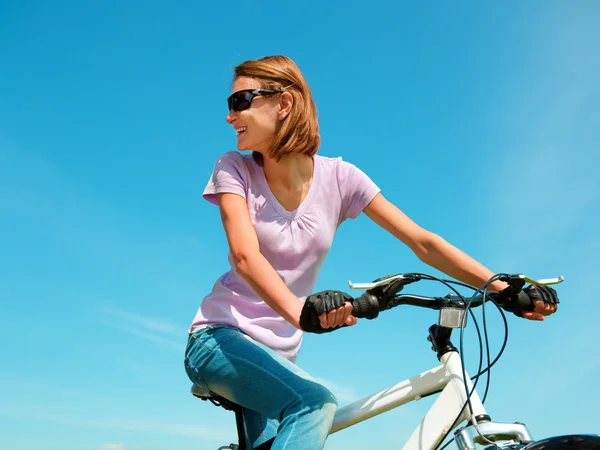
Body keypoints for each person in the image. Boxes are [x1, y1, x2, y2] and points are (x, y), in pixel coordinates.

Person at [184, 55, 558, 450]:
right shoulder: (234, 168)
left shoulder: (342, 179)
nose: (230, 116)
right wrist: (301, 313)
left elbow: (422, 241)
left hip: (279, 356)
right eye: (231, 104)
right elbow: (245, 256)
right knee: (313, 404)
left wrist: (500, 287)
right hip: (218, 338)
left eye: (240, 101)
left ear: (284, 103)